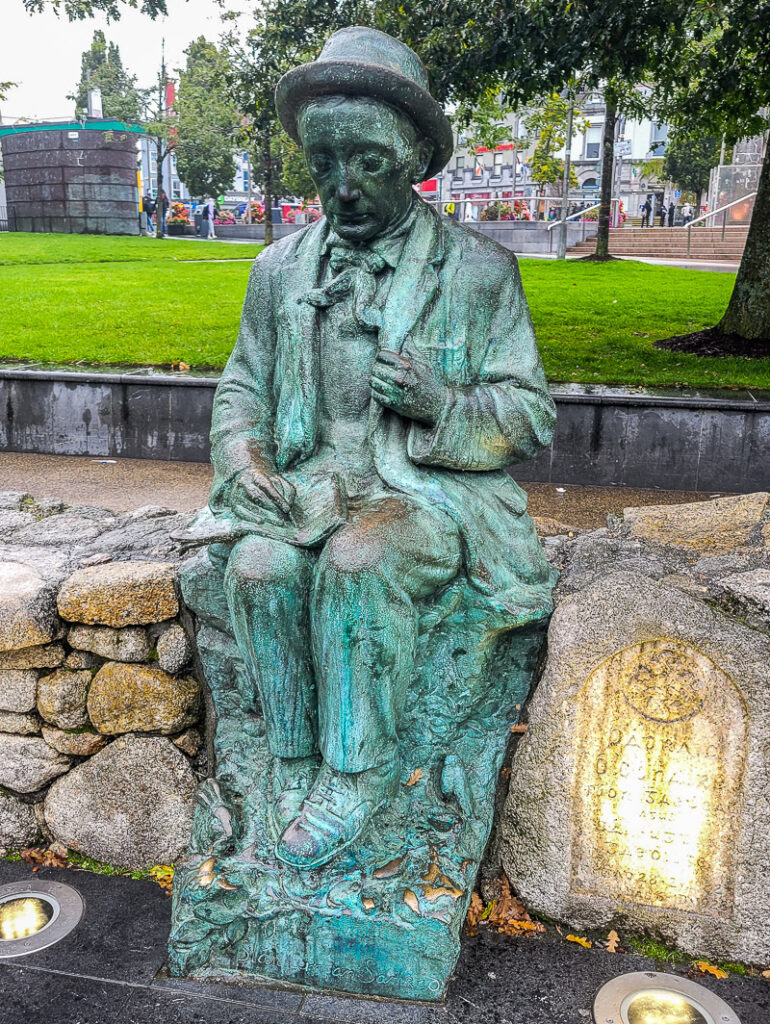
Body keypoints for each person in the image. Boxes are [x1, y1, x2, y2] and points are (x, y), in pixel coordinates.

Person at [196, 27, 556, 871]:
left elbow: (531, 416)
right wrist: (245, 461)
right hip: (308, 484)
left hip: (426, 495)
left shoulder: (477, 273)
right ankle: (292, 762)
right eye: (325, 163)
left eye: (366, 161)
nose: (342, 186)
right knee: (256, 568)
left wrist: (442, 404)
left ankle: (356, 777)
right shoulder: (280, 271)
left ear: (414, 162)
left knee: (359, 564)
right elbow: (241, 385)